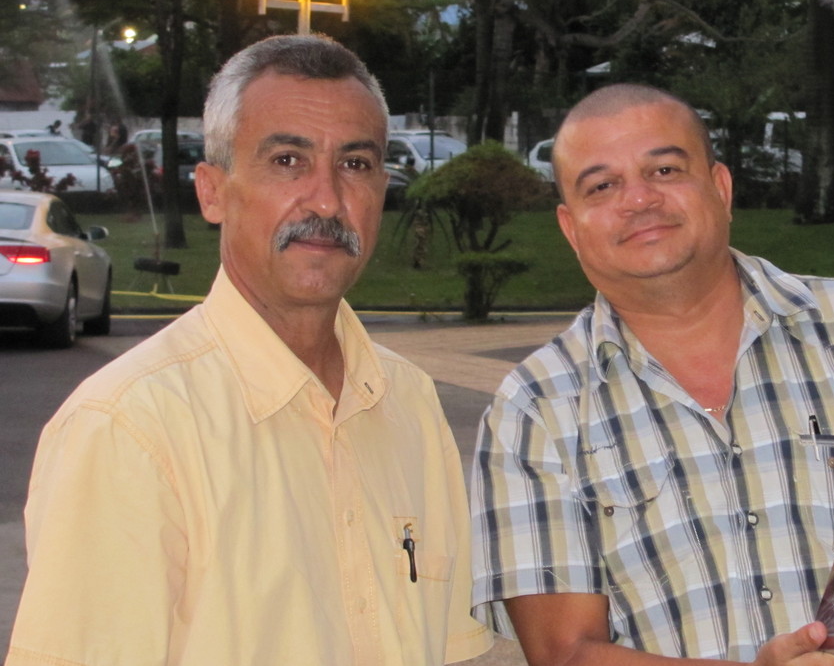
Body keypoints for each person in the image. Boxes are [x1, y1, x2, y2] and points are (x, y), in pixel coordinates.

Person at [469, 84, 834, 665]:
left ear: (720, 189)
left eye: (665, 169)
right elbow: (565, 653)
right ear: (571, 228)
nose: (639, 199)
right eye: (602, 186)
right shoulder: (535, 408)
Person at [6, 34, 492, 666]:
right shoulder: (128, 429)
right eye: (288, 160)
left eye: (355, 164)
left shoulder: (409, 403)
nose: (326, 199)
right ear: (212, 191)